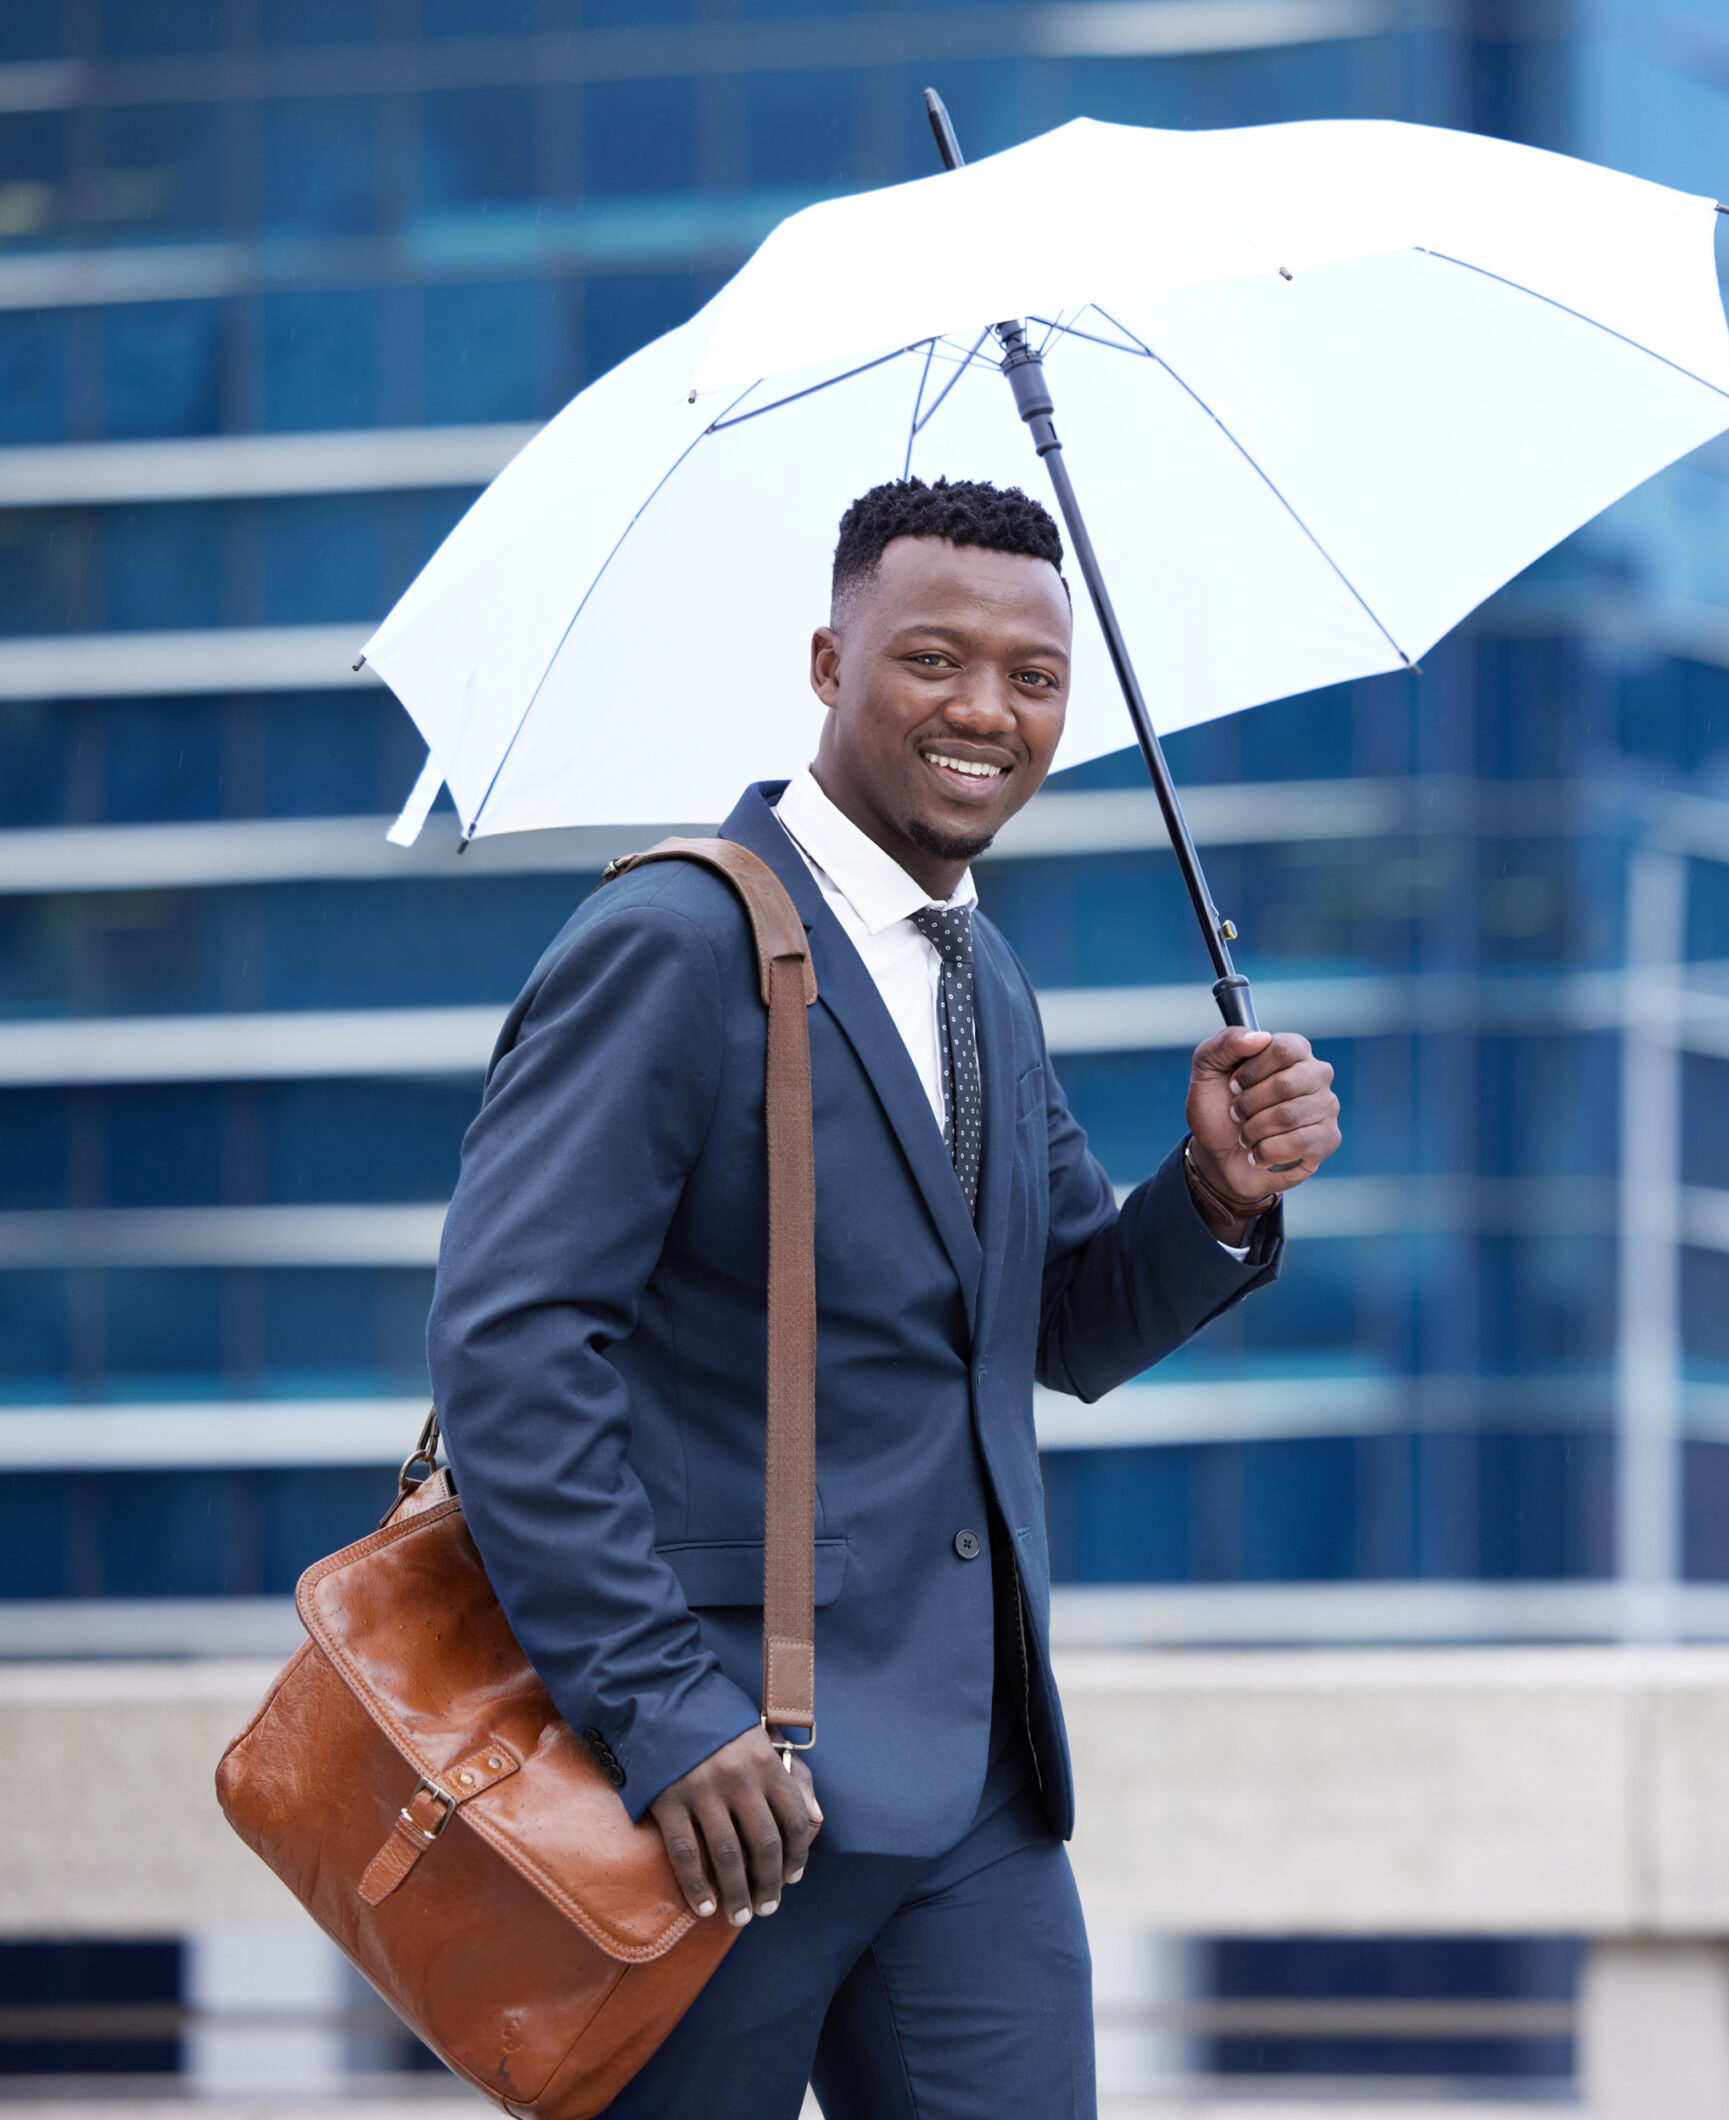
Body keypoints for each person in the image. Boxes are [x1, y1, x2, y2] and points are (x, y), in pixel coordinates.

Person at [426, 476, 1342, 2118]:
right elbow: (511, 1348)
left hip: (978, 1788)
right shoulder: (673, 938)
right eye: (934, 658)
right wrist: (661, 1715)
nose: (988, 709)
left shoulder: (980, 970)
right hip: (721, 1792)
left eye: (1034, 677)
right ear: (828, 658)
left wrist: (1215, 1193)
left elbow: (1056, 1324)